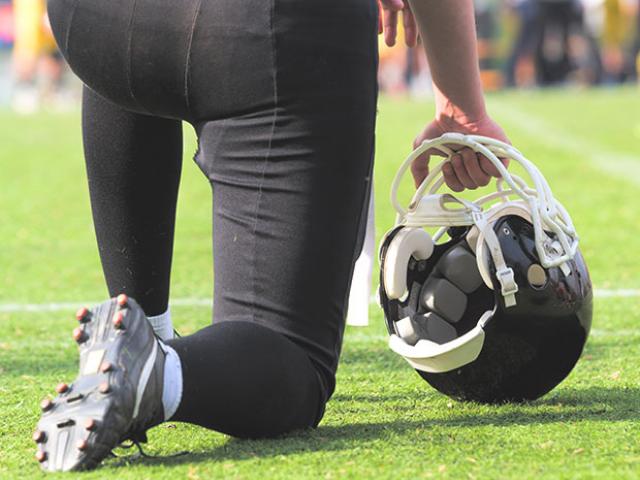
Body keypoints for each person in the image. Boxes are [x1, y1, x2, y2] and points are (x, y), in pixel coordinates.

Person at [34, 0, 509, 471]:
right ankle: (156, 370)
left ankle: (140, 326)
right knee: (289, 355)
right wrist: (460, 105)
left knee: (133, 48)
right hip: (257, 30)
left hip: (91, 22)